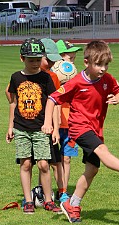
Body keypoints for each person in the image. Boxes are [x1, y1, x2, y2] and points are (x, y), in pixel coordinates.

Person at [42, 40, 119, 223]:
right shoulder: (76, 82)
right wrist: (47, 123)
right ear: (86, 62)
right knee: (102, 150)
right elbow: (52, 99)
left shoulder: (107, 79)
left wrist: (117, 98)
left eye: (106, 64)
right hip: (79, 127)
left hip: (96, 128)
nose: (103, 69)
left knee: (92, 169)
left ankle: (72, 205)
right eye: (98, 64)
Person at [6, 38, 61, 214]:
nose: (36, 63)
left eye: (38, 59)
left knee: (44, 165)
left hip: (41, 129)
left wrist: (56, 129)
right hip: (21, 128)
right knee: (26, 164)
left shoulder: (46, 77)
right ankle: (28, 201)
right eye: (31, 60)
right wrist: (10, 127)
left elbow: (54, 103)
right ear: (22, 58)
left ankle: (48, 200)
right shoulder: (16, 77)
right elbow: (13, 103)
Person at [39, 38, 70, 203]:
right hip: (33, 124)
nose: (51, 63)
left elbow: (56, 103)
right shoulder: (27, 74)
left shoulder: (53, 76)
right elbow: (10, 92)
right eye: (48, 59)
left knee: (56, 161)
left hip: (49, 126)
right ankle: (41, 192)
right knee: (39, 162)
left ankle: (62, 191)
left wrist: (56, 128)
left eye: (53, 60)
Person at [54, 40, 82, 199]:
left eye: (73, 59)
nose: (72, 62)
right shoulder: (51, 78)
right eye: (69, 59)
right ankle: (47, 190)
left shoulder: (75, 78)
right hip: (54, 123)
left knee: (66, 158)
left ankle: (63, 191)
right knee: (51, 160)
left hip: (70, 123)